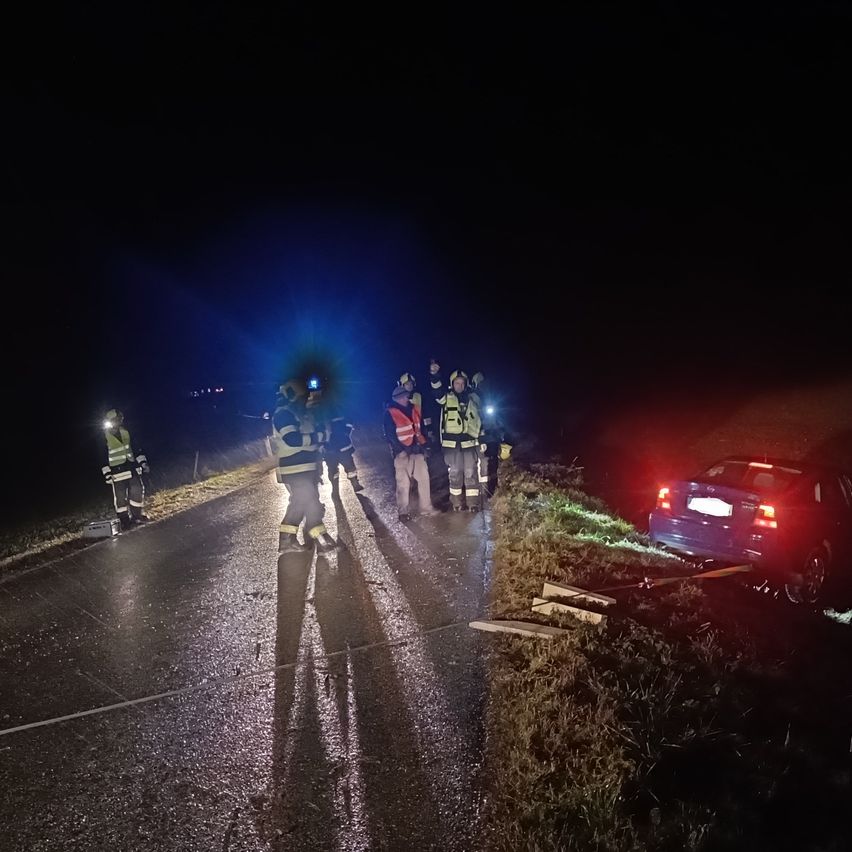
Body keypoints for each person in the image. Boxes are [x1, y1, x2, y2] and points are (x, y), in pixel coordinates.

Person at [271, 378, 337, 554]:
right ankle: (286, 540)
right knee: (300, 503)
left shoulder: (301, 414)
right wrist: (319, 437)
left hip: (307, 468)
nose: (305, 399)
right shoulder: (283, 414)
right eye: (302, 397)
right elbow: (293, 439)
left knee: (312, 502)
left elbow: (312, 435)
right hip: (293, 469)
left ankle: (319, 536)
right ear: (293, 397)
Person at [429, 362, 482, 511]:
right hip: (451, 445)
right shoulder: (446, 397)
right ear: (452, 384)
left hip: (469, 443)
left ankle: (473, 503)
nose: (459, 385)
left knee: (470, 472)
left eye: (461, 383)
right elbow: (436, 391)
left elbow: (479, 418)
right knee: (455, 473)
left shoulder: (472, 399)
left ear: (465, 384)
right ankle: (457, 503)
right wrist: (435, 375)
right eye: (456, 383)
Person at [383, 383, 438, 521]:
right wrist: (399, 451)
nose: (406, 399)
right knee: (403, 484)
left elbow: (420, 429)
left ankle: (426, 508)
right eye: (403, 397)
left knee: (424, 479)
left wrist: (426, 446)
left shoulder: (414, 409)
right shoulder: (389, 413)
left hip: (417, 451)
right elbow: (390, 435)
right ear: (396, 398)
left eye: (406, 396)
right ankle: (403, 512)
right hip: (402, 454)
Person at [101, 408, 150, 529]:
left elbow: (136, 447)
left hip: (131, 467)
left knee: (137, 489)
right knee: (120, 497)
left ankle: (136, 516)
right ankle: (124, 521)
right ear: (111, 421)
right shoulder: (104, 437)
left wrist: (143, 463)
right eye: (116, 420)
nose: (119, 422)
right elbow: (101, 455)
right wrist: (107, 473)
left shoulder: (126, 432)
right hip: (116, 471)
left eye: (120, 419)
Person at [323, 400, 363, 497]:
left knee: (348, 468)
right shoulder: (334, 409)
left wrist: (345, 433)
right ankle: (336, 490)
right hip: (333, 448)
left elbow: (349, 421)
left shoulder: (334, 410)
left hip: (339, 447)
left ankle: (354, 485)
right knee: (335, 470)